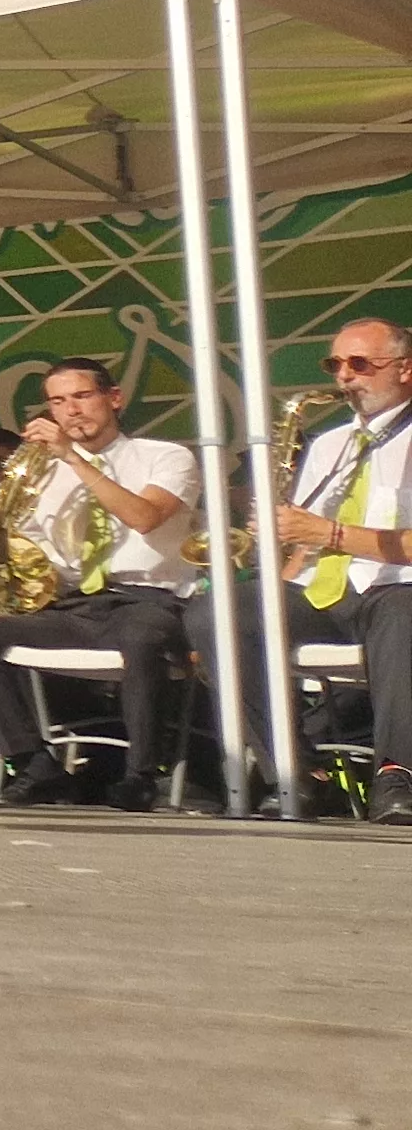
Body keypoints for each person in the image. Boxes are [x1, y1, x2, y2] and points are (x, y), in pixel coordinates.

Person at [0, 358, 199, 809]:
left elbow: (143, 517)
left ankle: (141, 775)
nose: (70, 411)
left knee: (141, 638)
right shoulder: (42, 471)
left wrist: (73, 459)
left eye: (82, 396)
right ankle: (34, 765)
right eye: (58, 402)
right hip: (76, 604)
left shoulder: (165, 456)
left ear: (114, 399)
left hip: (147, 600)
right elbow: (28, 547)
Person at [192, 317, 412, 824]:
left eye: (360, 364)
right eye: (334, 364)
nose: (345, 377)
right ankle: (294, 771)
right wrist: (276, 553)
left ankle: (397, 775)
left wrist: (328, 533)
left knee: (403, 616)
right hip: (326, 587)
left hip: (396, 586)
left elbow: (327, 533)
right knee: (218, 615)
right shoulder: (329, 443)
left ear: (404, 369)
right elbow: (306, 546)